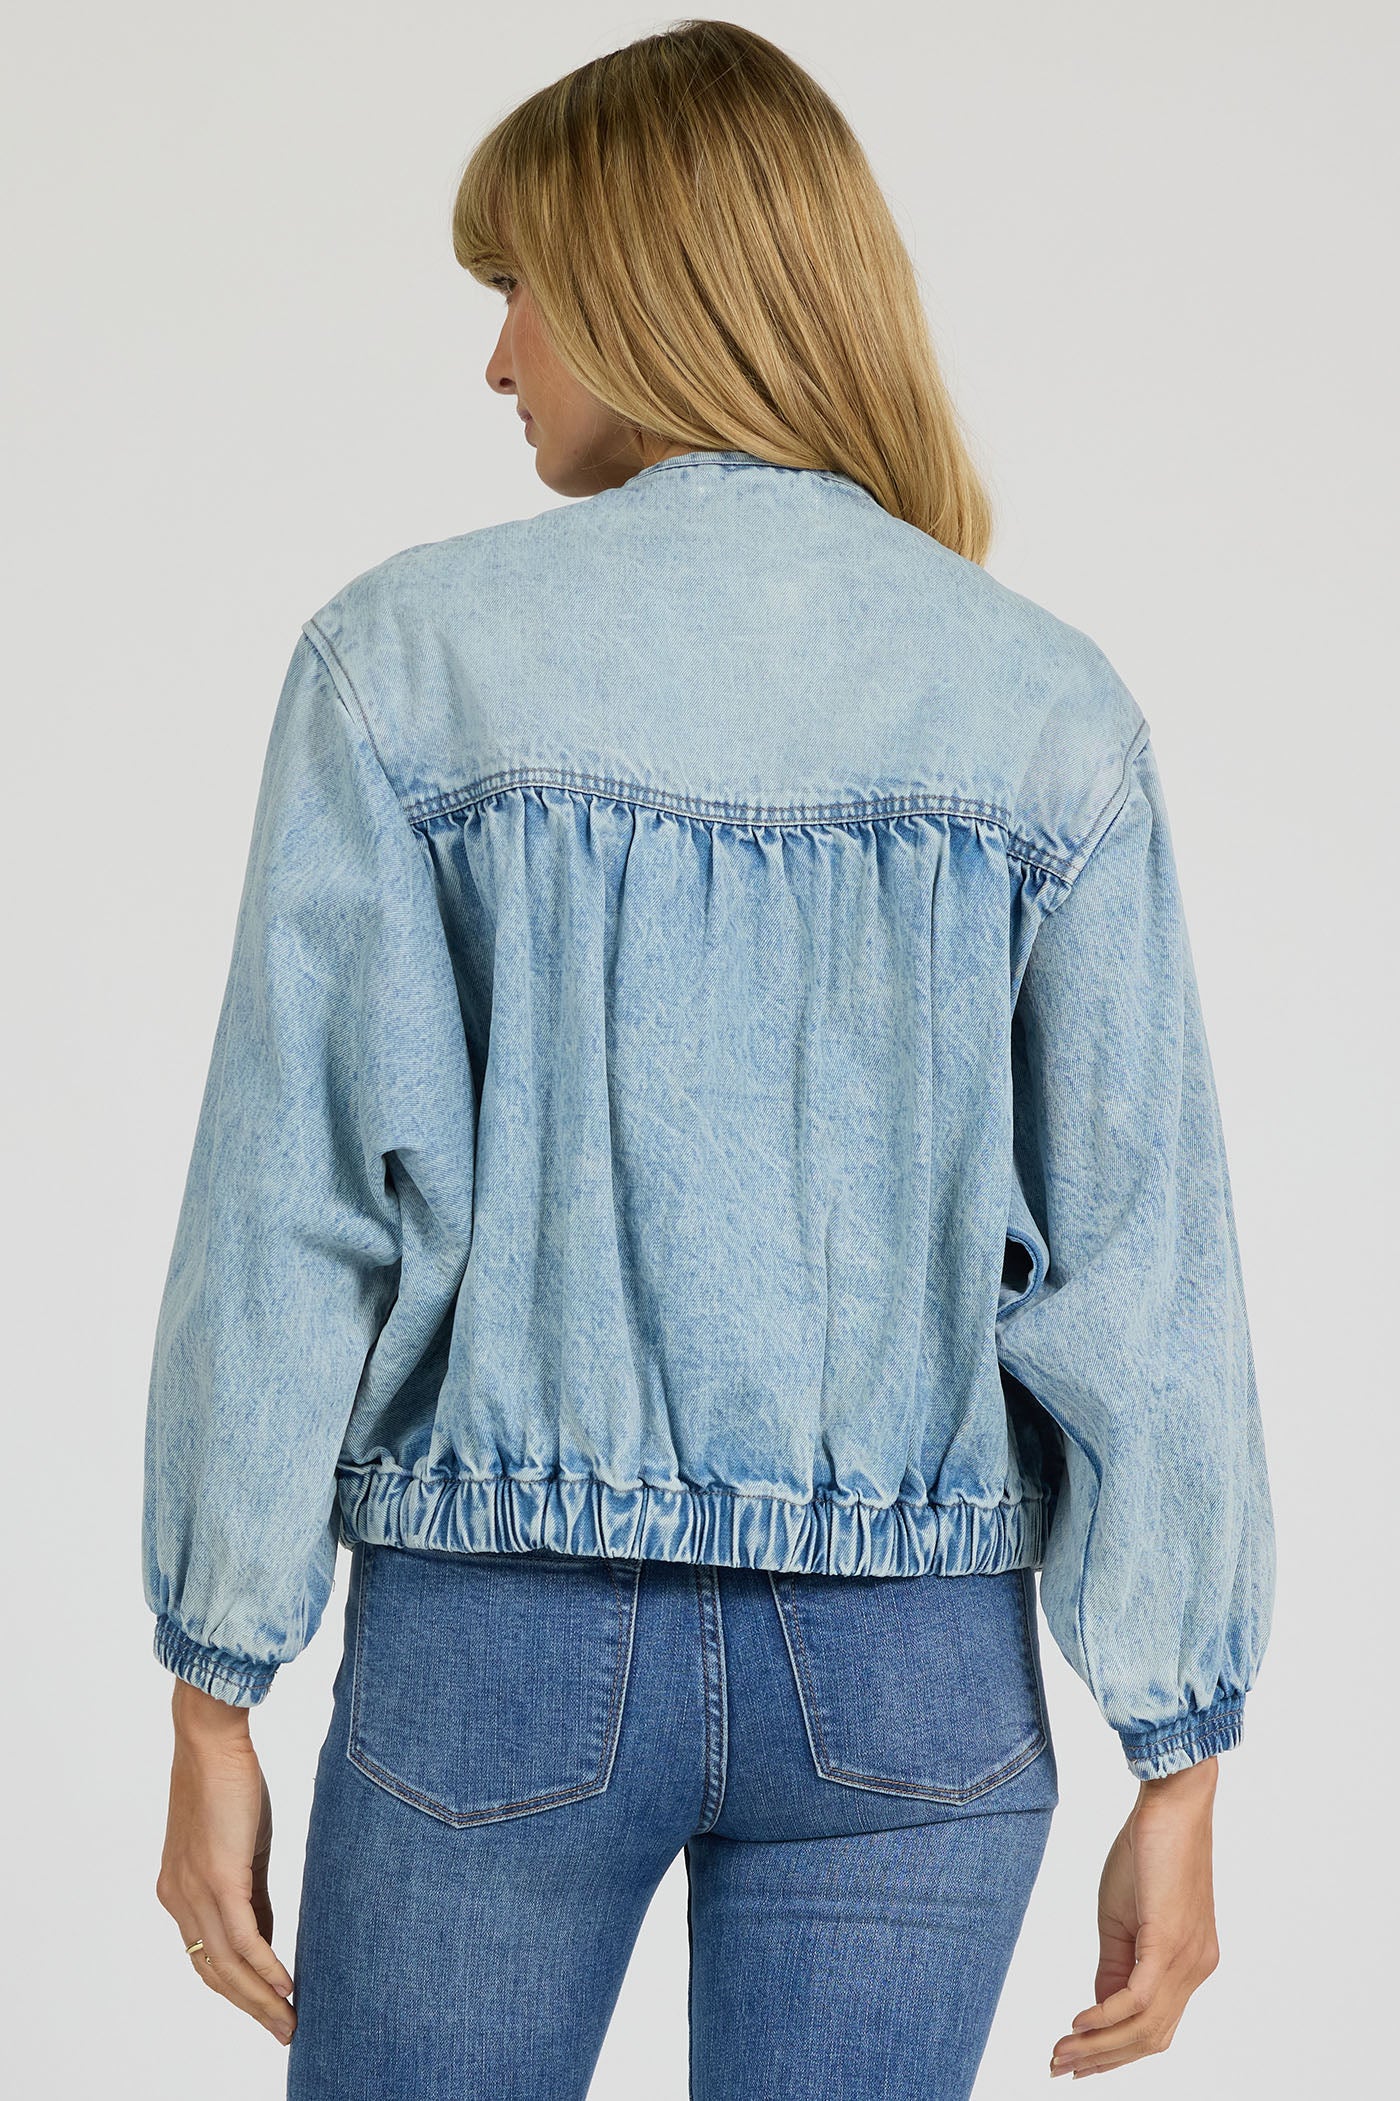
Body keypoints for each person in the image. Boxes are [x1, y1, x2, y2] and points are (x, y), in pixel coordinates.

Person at [143, 20, 1274, 2099]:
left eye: (521, 286)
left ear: (653, 285)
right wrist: (1178, 1749)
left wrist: (217, 1679)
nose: (497, 358)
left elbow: (298, 1204)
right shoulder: (1040, 706)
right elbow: (1140, 1269)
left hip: (501, 1638)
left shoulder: (404, 663)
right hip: (914, 1675)